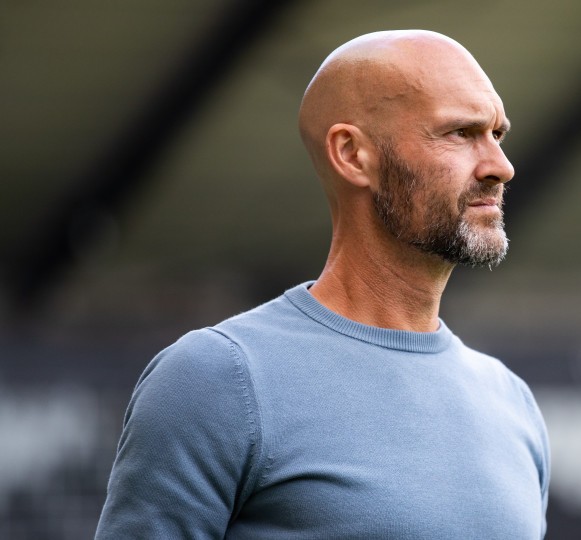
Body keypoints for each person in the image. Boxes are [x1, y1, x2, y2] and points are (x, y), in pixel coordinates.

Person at [95, 30, 550, 539]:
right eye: (460, 133)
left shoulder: (512, 403)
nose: (501, 167)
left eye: (498, 134)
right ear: (353, 154)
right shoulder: (217, 380)